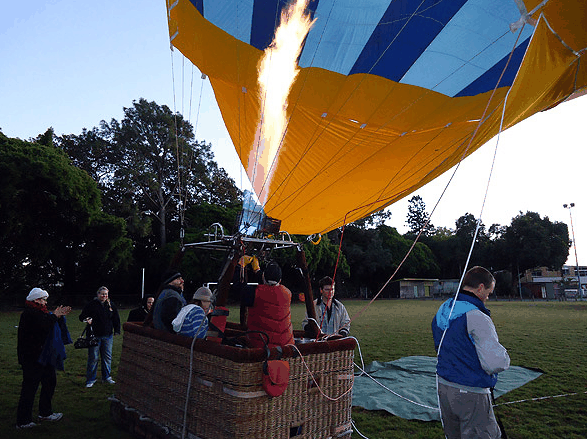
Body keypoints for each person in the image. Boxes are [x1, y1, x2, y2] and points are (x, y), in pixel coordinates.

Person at [431, 266, 510, 439]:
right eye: (489, 292)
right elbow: (494, 362)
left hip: (444, 387)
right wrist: (505, 358)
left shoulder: (444, 308)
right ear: (480, 287)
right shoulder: (476, 316)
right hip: (470, 391)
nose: (488, 297)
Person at [16, 287, 72, 429]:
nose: (45, 302)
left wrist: (56, 316)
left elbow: (47, 321)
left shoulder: (40, 312)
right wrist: (55, 316)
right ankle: (23, 421)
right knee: (29, 388)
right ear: (36, 300)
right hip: (32, 357)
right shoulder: (30, 313)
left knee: (49, 382)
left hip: (44, 356)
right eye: (43, 299)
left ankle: (45, 413)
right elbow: (43, 325)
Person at [241, 261, 294, 348]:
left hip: (260, 346)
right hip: (286, 345)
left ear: (263, 276)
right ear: (280, 280)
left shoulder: (255, 293)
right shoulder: (287, 293)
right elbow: (269, 286)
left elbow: (238, 288)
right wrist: (257, 270)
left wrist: (240, 266)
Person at [79, 286, 121, 388]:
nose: (104, 296)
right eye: (102, 294)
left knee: (107, 357)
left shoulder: (111, 305)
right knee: (93, 358)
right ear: (98, 294)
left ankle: (106, 377)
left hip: (107, 336)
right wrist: (87, 319)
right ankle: (91, 379)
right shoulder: (91, 305)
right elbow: (81, 316)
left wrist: (117, 330)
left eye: (106, 294)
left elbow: (116, 318)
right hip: (94, 336)